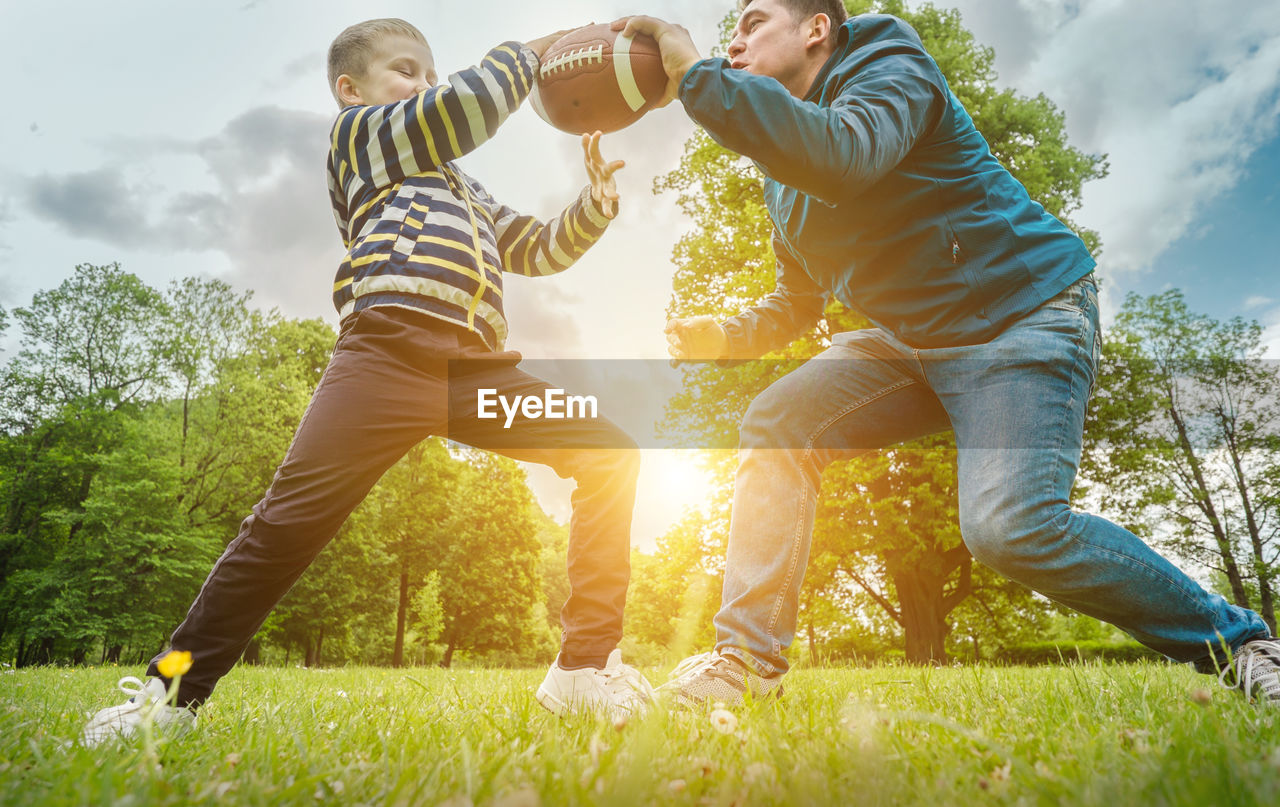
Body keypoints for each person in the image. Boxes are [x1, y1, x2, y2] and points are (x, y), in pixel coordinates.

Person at [619, 0, 1280, 707]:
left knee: (1009, 528)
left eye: (753, 21)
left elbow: (845, 153)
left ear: (817, 28)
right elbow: (797, 302)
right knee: (778, 420)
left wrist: (688, 65)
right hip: (911, 341)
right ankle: (746, 663)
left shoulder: (885, 59)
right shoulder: (780, 174)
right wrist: (726, 334)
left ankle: (1240, 642)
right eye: (730, 33)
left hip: (1021, 318)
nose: (735, 40)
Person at [81, 18, 654, 745]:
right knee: (281, 530)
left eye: (429, 71)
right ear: (351, 91)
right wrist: (531, 54)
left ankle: (581, 667)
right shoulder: (363, 139)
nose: (425, 83)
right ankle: (168, 697)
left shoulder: (464, 187)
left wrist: (594, 207)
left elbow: (535, 248)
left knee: (610, 450)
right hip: (382, 354)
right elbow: (459, 111)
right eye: (406, 70)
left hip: (470, 369)